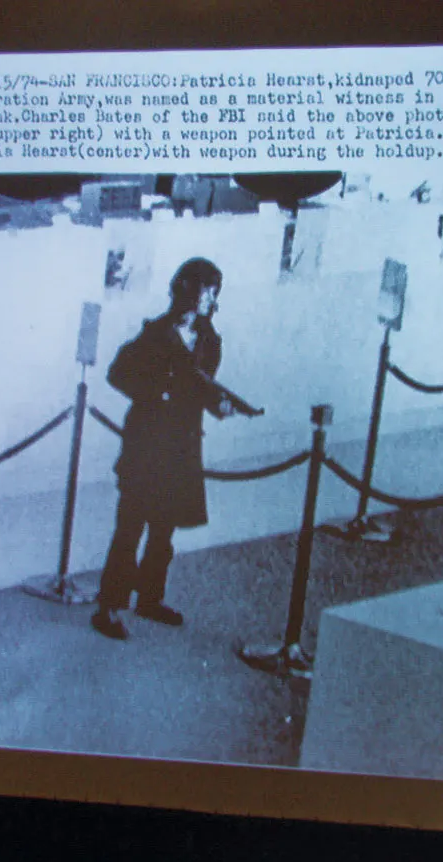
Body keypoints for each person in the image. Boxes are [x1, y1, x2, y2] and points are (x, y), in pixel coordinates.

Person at [92, 258, 253, 640]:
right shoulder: (155, 335)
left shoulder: (210, 341)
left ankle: (149, 598)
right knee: (129, 530)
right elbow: (118, 373)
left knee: (163, 532)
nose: (212, 300)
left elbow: (201, 387)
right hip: (147, 447)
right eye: (207, 291)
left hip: (180, 449)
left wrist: (220, 406)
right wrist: (157, 393)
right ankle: (109, 607)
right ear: (187, 291)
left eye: (215, 292)